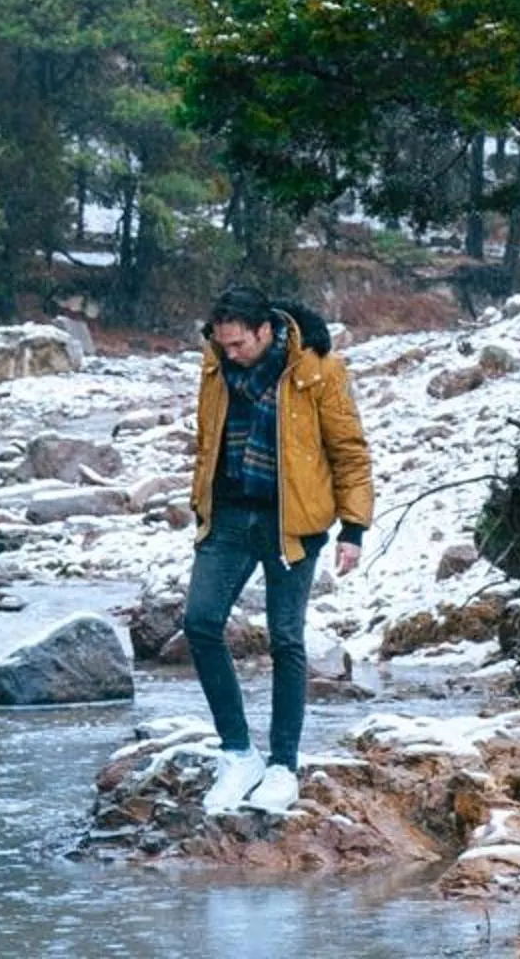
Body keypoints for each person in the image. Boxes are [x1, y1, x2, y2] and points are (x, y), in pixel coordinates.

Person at [184, 284, 372, 816]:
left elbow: (350, 451)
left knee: (285, 638)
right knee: (199, 623)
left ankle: (282, 764)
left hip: (292, 522)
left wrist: (354, 528)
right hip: (227, 516)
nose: (231, 353)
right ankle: (238, 752)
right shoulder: (215, 364)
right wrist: (201, 502)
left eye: (240, 344)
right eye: (223, 344)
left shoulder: (318, 369)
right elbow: (207, 436)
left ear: (265, 331)